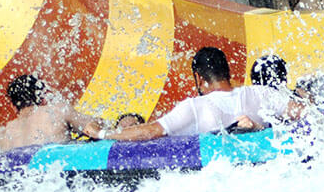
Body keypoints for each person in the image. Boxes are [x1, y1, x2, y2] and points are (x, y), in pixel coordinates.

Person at [82, 47, 304, 142]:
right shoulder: (261, 94)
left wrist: (102, 134)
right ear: (228, 72)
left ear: (199, 78)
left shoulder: (195, 107)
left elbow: (148, 132)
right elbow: (304, 114)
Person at [0, 73, 97, 151]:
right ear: (43, 98)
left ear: (13, 106)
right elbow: (93, 128)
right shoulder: (57, 111)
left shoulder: (1, 136)